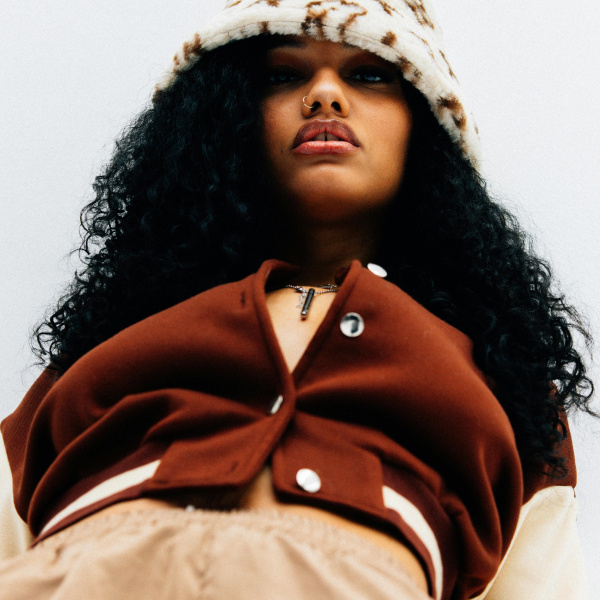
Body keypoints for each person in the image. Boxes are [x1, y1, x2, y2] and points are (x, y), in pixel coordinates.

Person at [0, 1, 594, 599]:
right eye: (283, 75)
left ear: (425, 124)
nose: (325, 97)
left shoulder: (507, 380)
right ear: (221, 117)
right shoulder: (107, 342)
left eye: (369, 74)